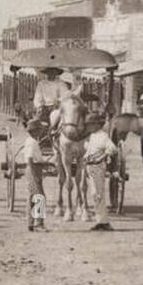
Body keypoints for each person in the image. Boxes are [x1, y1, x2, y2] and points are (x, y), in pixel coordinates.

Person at [53, 86, 88, 221]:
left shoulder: (62, 84)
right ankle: (53, 134)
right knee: (54, 115)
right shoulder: (42, 85)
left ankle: (81, 204)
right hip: (58, 108)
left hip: (73, 113)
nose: (52, 75)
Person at [82, 111, 118, 231]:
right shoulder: (93, 136)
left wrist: (102, 157)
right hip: (90, 167)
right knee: (94, 194)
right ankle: (100, 220)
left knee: (98, 194)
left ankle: (104, 221)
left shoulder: (103, 136)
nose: (88, 127)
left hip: (97, 167)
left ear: (97, 125)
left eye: (90, 125)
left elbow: (112, 148)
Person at [20, 117, 50, 231]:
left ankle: (31, 223)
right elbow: (30, 159)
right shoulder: (31, 142)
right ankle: (39, 224)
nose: (41, 132)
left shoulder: (32, 141)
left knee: (33, 196)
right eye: (39, 130)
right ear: (35, 131)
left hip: (35, 168)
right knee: (40, 197)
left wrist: (43, 163)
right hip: (33, 169)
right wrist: (34, 174)